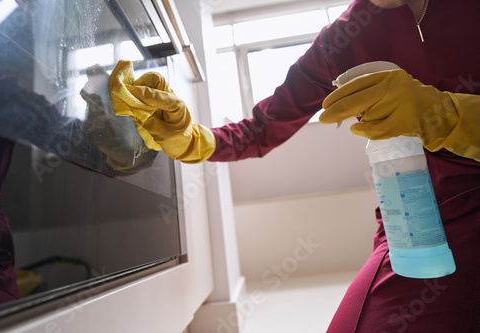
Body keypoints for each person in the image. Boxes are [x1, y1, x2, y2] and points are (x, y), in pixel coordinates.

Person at [108, 0, 480, 331]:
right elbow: (261, 129)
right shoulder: (342, 40)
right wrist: (190, 137)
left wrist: (448, 115)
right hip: (421, 225)